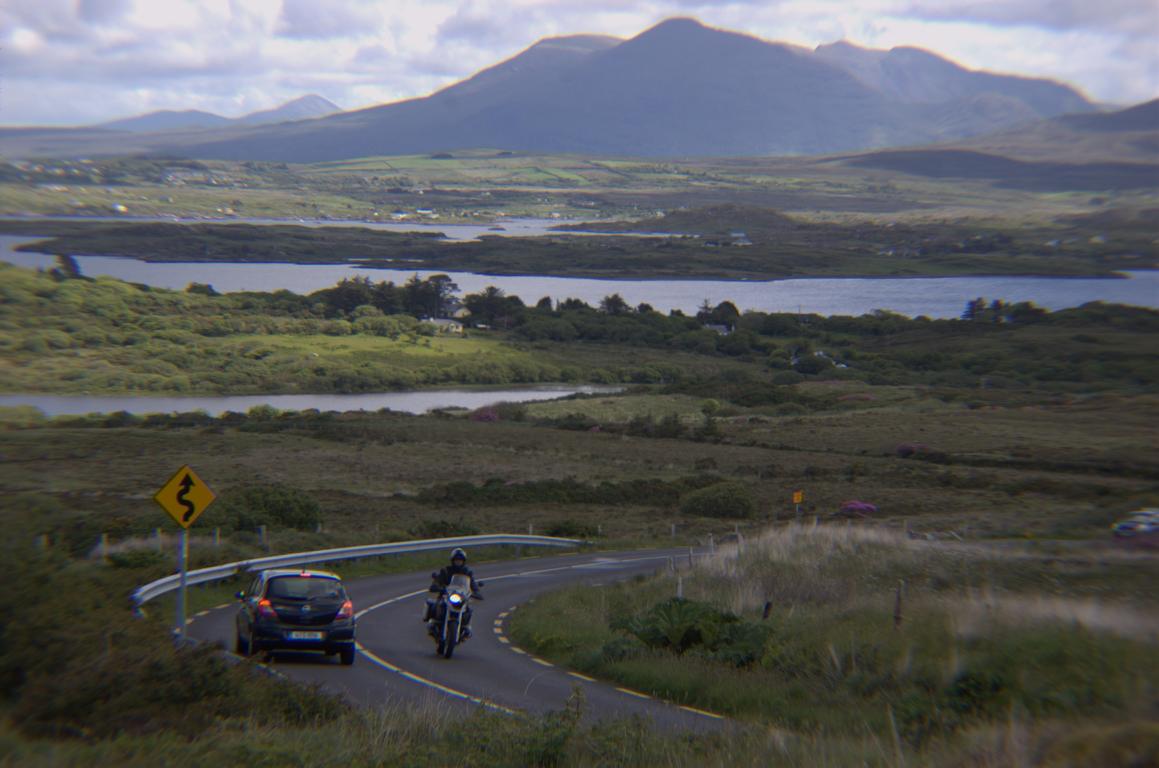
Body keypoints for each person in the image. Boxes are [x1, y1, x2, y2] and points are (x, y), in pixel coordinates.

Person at [423, 548, 483, 634]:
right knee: (437, 605)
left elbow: (472, 584)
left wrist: (476, 592)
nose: (458, 562)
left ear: (463, 561)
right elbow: (438, 581)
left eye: (460, 560)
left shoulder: (467, 572)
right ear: (452, 561)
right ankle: (434, 624)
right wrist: (436, 586)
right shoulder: (446, 571)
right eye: (456, 560)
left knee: (468, 610)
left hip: (461, 597)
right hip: (446, 596)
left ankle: (465, 628)